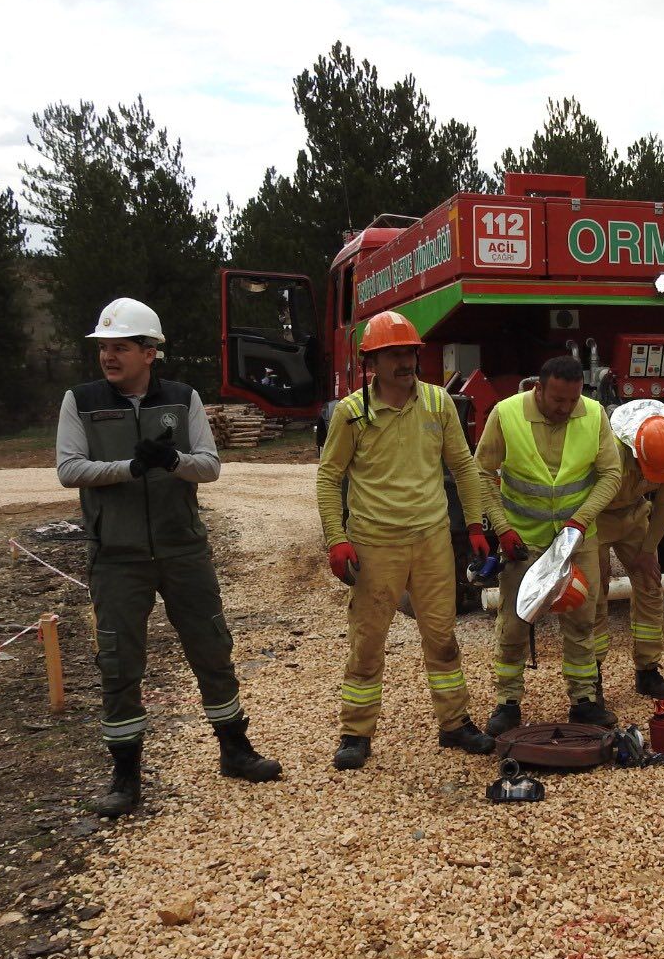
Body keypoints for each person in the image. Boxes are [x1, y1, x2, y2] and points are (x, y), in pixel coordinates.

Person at [56, 297, 281, 818]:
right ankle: (126, 774)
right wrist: (129, 468)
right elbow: (69, 469)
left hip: (183, 549)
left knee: (211, 646)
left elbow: (210, 466)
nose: (108, 357)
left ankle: (234, 750)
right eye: (104, 348)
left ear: (149, 351)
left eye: (120, 347)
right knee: (119, 662)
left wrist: (173, 460)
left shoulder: (183, 400)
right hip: (116, 555)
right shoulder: (81, 401)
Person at [315, 310, 495, 769]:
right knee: (368, 641)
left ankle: (454, 724)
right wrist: (337, 539)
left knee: (442, 637)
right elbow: (329, 476)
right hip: (375, 544)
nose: (404, 362)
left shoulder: (438, 404)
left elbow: (464, 465)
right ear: (371, 363)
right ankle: (355, 733)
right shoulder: (353, 415)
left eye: (409, 353)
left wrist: (474, 524)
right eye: (392, 354)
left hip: (432, 540)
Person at [476, 355, 622, 736]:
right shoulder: (505, 414)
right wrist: (503, 528)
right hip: (522, 540)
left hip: (577, 540)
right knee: (513, 622)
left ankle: (584, 701)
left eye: (572, 400)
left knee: (582, 621)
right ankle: (507, 702)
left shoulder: (593, 415)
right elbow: (481, 472)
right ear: (537, 388)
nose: (565, 408)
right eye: (557, 400)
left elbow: (611, 475)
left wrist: (581, 520)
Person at [591, 401, 664, 699]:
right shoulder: (606, 451)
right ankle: (590, 676)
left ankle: (648, 670)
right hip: (595, 517)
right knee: (594, 593)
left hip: (634, 515)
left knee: (650, 586)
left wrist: (648, 550)